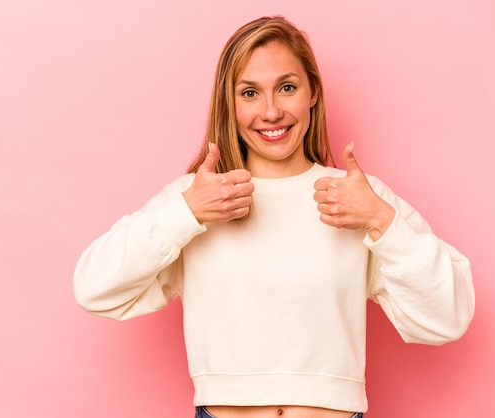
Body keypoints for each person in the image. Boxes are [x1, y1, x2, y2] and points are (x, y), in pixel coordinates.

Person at [73, 16, 474, 418]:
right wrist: (186, 212)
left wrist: (381, 221)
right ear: (229, 104)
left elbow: (447, 318)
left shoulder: (357, 198)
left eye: (286, 88)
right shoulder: (199, 198)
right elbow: (94, 288)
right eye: (249, 93)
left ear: (312, 91)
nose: (271, 112)